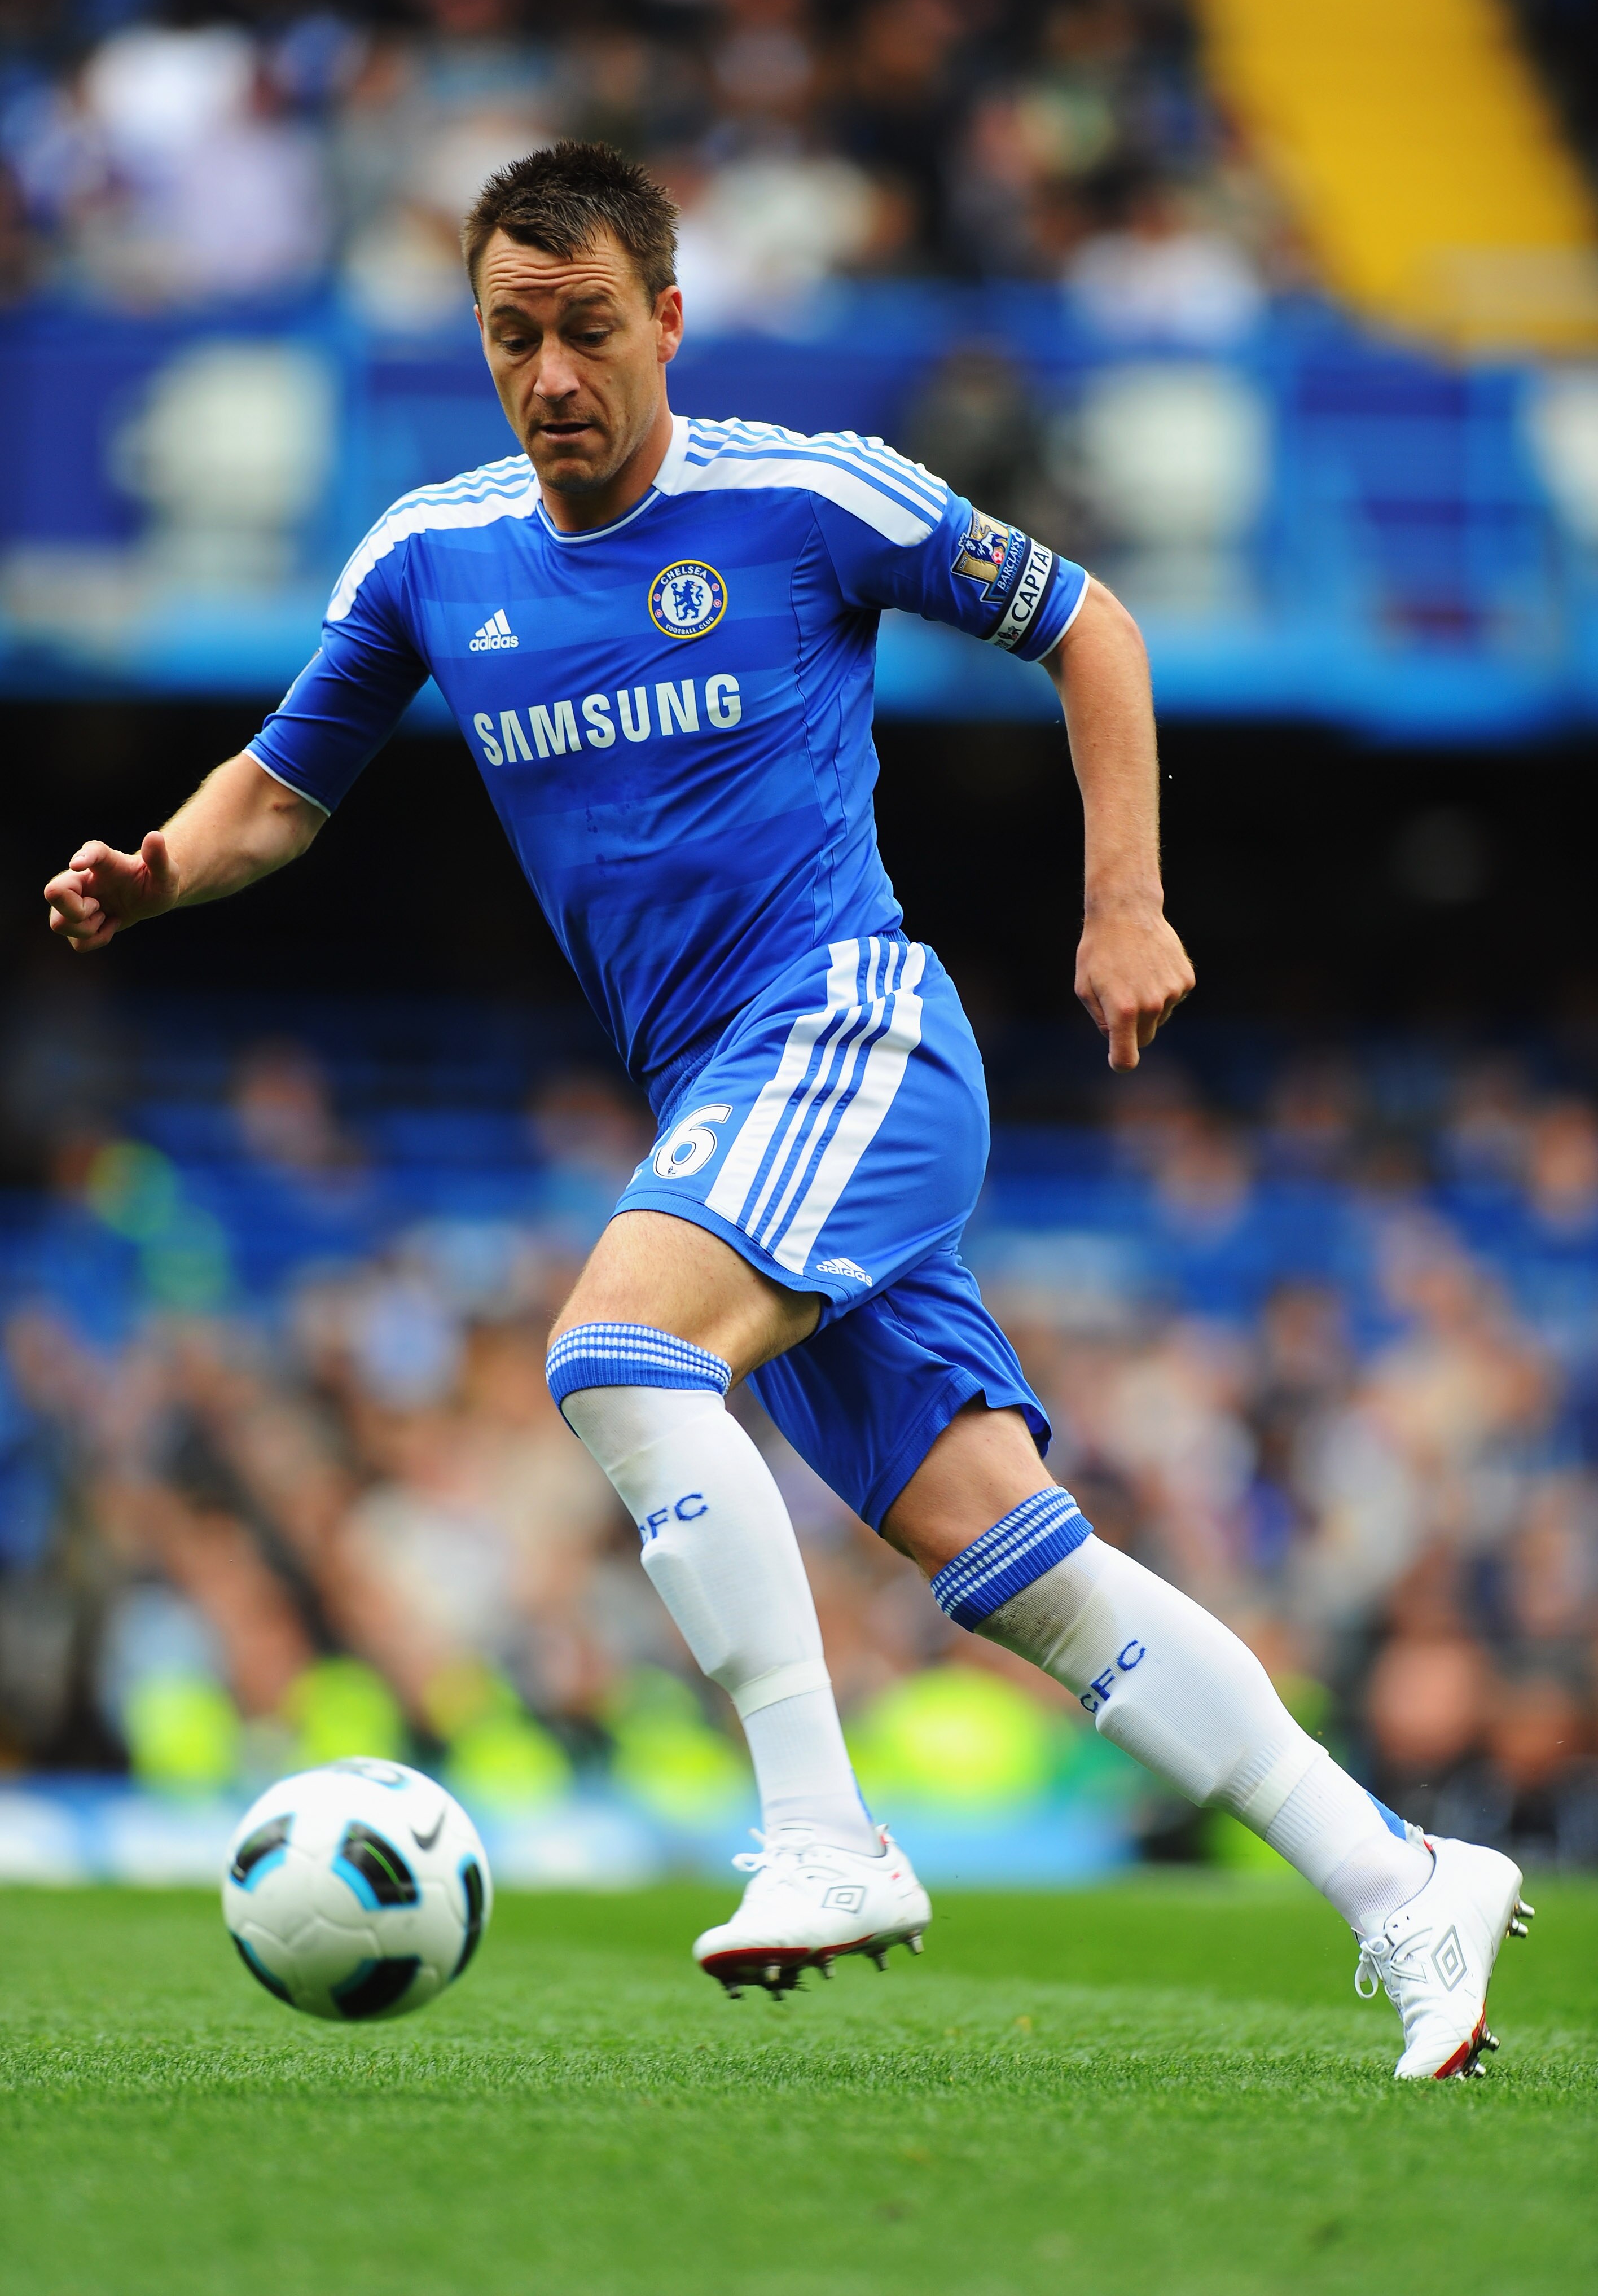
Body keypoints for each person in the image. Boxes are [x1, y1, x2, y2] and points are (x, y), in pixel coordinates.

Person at [44, 142, 1530, 2077]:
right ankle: (1404, 1881)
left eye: (586, 328)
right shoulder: (430, 559)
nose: (552, 374)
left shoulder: (807, 495)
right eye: (513, 337)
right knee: (1015, 1560)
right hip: (729, 1097)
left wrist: (1125, 899)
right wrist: (161, 868)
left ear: (666, 318)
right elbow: (279, 784)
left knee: (616, 1346)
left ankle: (824, 1832)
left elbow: (1091, 621)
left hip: (845, 1034)